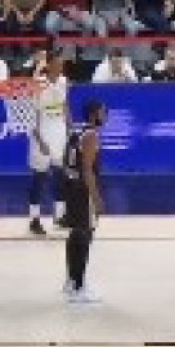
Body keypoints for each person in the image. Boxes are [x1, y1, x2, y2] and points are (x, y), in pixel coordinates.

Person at [62, 100, 106, 304]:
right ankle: (79, 288)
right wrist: (96, 199)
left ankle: (71, 281)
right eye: (102, 112)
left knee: (75, 235)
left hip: (72, 189)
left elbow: (67, 163)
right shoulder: (91, 136)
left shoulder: (77, 132)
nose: (105, 116)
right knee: (84, 237)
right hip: (83, 192)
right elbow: (88, 170)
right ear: (93, 115)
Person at [28, 53, 70, 236]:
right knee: (40, 177)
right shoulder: (38, 83)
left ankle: (59, 216)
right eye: (58, 64)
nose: (61, 67)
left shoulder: (63, 81)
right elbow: (32, 115)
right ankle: (34, 219)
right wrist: (39, 140)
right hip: (42, 131)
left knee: (60, 175)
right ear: (50, 65)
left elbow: (65, 105)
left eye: (62, 64)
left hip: (59, 131)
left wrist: (69, 128)